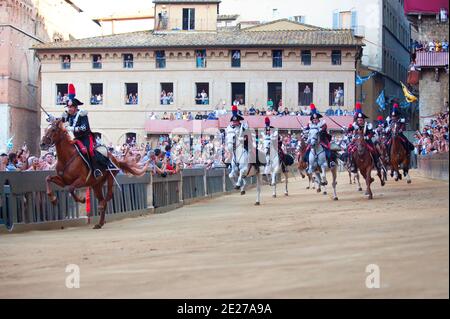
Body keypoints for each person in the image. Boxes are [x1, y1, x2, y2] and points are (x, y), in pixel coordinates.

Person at [349, 102, 382, 171]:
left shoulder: (368, 125)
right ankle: (353, 165)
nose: (359, 121)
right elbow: (350, 129)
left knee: (373, 150)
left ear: (363, 120)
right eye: (358, 120)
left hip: (367, 141)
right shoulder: (356, 125)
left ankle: (377, 163)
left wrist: (367, 137)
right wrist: (348, 129)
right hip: (358, 142)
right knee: (351, 150)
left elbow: (372, 133)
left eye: (360, 120)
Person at [303, 103, 335, 168]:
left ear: (318, 119)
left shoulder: (322, 123)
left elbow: (325, 127)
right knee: (307, 149)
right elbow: (306, 128)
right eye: (313, 120)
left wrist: (320, 129)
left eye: (316, 119)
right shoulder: (310, 124)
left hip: (322, 139)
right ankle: (307, 163)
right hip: (313, 140)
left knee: (328, 148)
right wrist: (305, 130)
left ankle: (331, 161)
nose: (315, 121)